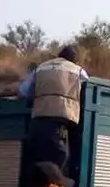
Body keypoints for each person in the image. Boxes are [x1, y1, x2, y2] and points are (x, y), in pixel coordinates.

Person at [17, 46, 89, 175]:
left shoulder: (40, 68)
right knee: (72, 151)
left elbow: (23, 92)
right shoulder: (78, 71)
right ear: (74, 60)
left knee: (35, 156)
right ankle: (68, 180)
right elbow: (90, 90)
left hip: (39, 117)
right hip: (65, 117)